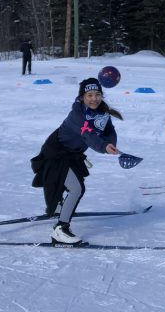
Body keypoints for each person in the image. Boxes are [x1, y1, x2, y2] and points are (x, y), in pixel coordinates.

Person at [30, 78, 122, 244]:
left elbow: (110, 131)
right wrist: (103, 147)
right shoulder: (77, 115)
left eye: (97, 94)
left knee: (73, 183)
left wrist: (110, 144)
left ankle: (59, 207)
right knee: (76, 188)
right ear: (81, 97)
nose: (94, 98)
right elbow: (88, 135)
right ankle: (61, 229)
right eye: (89, 95)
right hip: (57, 152)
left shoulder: (102, 113)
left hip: (73, 154)